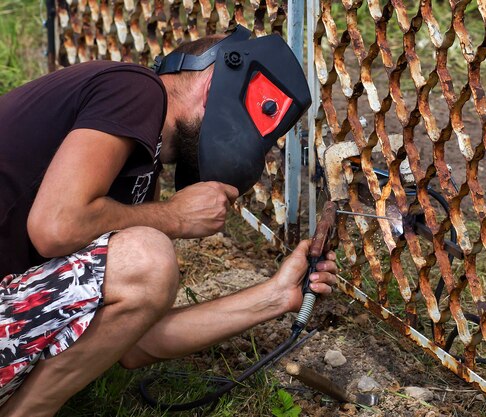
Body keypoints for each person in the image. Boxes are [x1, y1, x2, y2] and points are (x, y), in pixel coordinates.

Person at [0, 26, 337, 416]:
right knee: (147, 255)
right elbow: (56, 226)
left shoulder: (139, 179)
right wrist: (173, 217)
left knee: (146, 257)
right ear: (213, 83)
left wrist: (275, 295)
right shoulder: (134, 88)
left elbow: (132, 343)